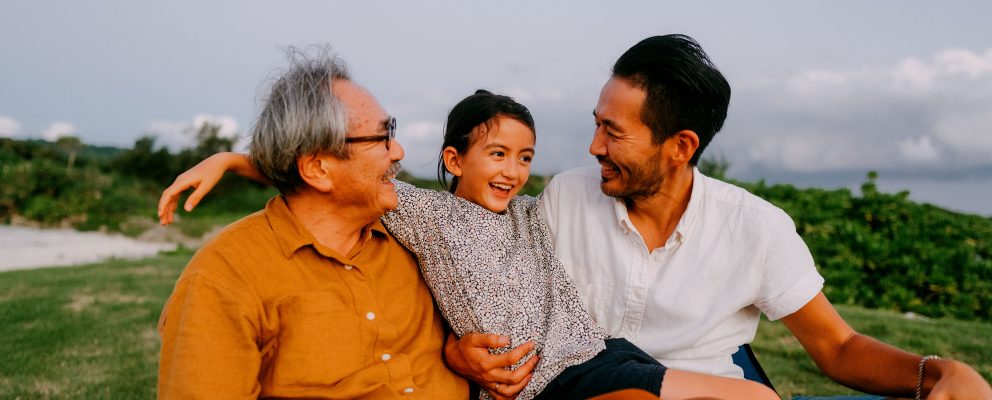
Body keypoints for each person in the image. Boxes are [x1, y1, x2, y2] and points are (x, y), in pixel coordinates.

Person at [443, 35, 992, 399]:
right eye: (596, 124)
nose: (593, 146)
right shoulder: (564, 199)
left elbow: (839, 348)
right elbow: (476, 262)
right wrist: (452, 349)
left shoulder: (756, 228)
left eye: (613, 132)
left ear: (680, 146)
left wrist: (939, 370)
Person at [159, 90, 779, 400]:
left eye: (525, 157)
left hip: (598, 349)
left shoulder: (533, 212)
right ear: (454, 159)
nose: (513, 170)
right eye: (498, 154)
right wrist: (235, 160)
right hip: (546, 384)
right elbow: (332, 174)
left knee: (755, 396)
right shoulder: (428, 214)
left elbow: (636, 183)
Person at [156, 48, 469, 399]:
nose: (397, 151)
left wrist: (459, 354)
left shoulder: (412, 234)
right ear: (318, 169)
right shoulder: (225, 276)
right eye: (381, 137)